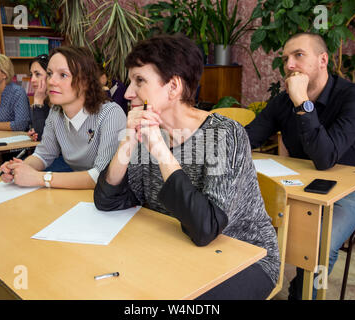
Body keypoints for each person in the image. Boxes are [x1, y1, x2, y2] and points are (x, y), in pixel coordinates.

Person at [93, 34, 280, 299]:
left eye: (140, 81)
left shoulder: (225, 135)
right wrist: (127, 141)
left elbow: (205, 229)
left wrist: (160, 150)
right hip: (175, 249)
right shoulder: (146, 131)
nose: (127, 92)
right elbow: (108, 201)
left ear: (173, 87)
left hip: (244, 258)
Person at [245, 32, 355, 300]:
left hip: (346, 195)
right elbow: (247, 138)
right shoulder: (282, 100)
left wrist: (303, 103)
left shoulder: (354, 96)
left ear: (323, 60)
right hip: (294, 188)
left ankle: (302, 295)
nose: (289, 65)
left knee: (319, 248)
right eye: (286, 58)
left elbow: (325, 159)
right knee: (236, 225)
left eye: (298, 55)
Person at [0, 46, 126, 189]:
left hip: (111, 199)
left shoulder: (110, 113)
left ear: (85, 82)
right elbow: (43, 154)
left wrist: (41, 178)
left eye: (63, 75)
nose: (51, 81)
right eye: (50, 73)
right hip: (80, 195)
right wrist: (19, 168)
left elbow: (101, 176)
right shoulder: (55, 113)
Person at [27, 54, 72, 172]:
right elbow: (41, 135)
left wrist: (37, 101)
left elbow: (41, 135)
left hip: (66, 160)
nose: (32, 80)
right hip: (51, 156)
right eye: (31, 75)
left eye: (38, 74)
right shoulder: (47, 101)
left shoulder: (60, 100)